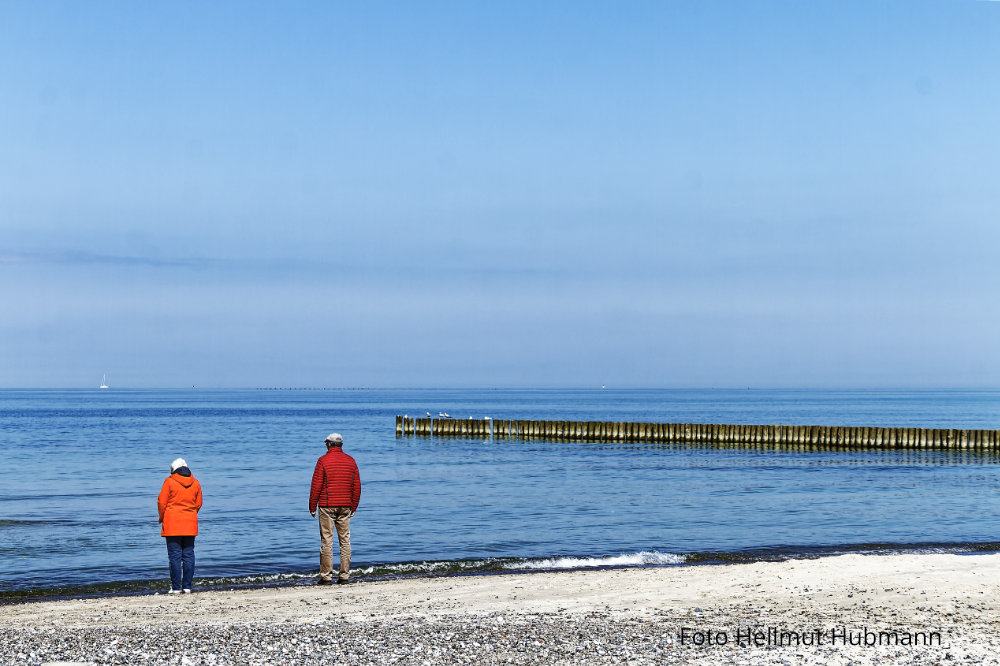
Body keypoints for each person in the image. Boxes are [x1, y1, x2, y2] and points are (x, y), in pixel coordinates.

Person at [309, 433, 361, 585]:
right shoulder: (351, 461)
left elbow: (316, 485)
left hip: (326, 506)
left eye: (326, 443)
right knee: (345, 541)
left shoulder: (323, 461)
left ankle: (326, 576)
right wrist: (354, 505)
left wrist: (312, 506)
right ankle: (344, 576)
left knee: (327, 541)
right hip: (345, 506)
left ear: (329, 444)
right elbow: (356, 486)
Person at [157, 457, 203, 594]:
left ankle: (176, 587)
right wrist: (191, 514)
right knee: (188, 555)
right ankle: (187, 586)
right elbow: (198, 503)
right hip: (190, 524)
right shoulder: (196, 483)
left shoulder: (169, 481)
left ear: (174, 470)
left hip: (172, 524)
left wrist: (162, 518)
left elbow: (161, 502)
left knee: (175, 556)